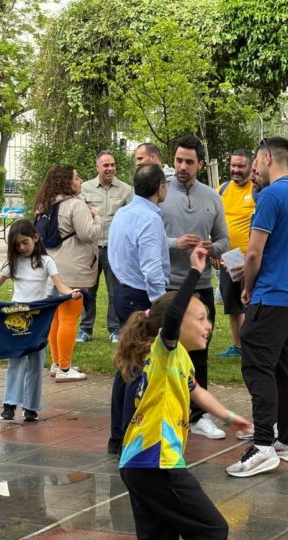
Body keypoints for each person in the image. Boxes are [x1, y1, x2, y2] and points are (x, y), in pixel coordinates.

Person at [116, 244, 250, 540]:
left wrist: (229, 417)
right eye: (200, 318)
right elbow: (174, 315)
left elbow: (196, 391)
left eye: (208, 318)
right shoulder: (163, 351)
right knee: (212, 532)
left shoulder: (178, 359)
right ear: (173, 324)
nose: (209, 325)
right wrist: (193, 272)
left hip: (138, 464)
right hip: (155, 461)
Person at [226, 136, 288, 478]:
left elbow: (253, 252)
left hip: (272, 295)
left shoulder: (271, 196)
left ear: (266, 159)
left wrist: (247, 286)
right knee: (287, 369)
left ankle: (263, 445)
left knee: (257, 365)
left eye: (255, 163)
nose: (253, 170)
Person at [0, 220, 81, 421]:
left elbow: (59, 284)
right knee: (16, 359)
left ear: (36, 238)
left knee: (36, 362)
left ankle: (31, 407)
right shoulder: (13, 263)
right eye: (17, 244)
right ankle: (9, 404)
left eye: (25, 242)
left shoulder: (46, 261)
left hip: (38, 318)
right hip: (16, 315)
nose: (22, 247)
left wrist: (70, 293)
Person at [160, 134, 230, 440]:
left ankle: (199, 415)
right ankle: (165, 410)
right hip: (168, 287)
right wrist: (176, 243)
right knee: (164, 351)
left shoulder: (212, 197)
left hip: (201, 286)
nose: (182, 167)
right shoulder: (161, 194)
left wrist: (212, 247)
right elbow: (148, 239)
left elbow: (225, 239)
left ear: (200, 164)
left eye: (189, 162)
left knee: (199, 351)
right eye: (178, 160)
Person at [106, 163, 171, 454]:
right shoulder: (150, 219)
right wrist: (160, 305)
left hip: (123, 291)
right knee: (137, 368)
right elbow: (152, 268)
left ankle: (118, 436)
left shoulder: (124, 213)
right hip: (141, 296)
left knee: (126, 363)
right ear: (160, 188)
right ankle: (129, 437)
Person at [33, 165, 101, 382]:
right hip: (75, 269)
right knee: (70, 318)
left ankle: (56, 363)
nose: (80, 181)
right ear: (67, 182)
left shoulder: (43, 205)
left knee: (55, 318)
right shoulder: (75, 205)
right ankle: (65, 368)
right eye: (76, 178)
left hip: (51, 268)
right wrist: (97, 218)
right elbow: (88, 234)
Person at [77, 151, 133, 344]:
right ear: (97, 167)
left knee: (115, 292)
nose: (110, 168)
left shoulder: (126, 190)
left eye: (113, 165)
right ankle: (85, 329)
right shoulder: (85, 188)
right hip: (90, 249)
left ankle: (115, 330)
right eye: (106, 165)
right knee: (87, 291)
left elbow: (131, 217)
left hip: (114, 249)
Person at [216, 149, 256, 359]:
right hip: (229, 257)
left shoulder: (258, 190)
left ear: (250, 166)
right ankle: (238, 346)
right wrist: (215, 250)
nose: (236, 170)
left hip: (251, 259)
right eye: (233, 165)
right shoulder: (222, 189)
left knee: (251, 304)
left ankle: (253, 346)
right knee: (232, 305)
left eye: (241, 166)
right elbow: (213, 220)